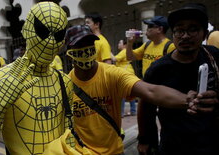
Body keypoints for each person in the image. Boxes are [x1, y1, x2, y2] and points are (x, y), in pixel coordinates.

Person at [65, 24, 218, 155]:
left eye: (89, 44)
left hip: (112, 152)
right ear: (69, 53)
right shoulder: (64, 84)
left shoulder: (111, 74)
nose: (86, 50)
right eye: (79, 46)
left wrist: (188, 100)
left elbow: (151, 91)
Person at [0, 2, 73, 154]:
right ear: (26, 30)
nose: (50, 42)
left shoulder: (64, 82)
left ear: (62, 41)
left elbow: (69, 134)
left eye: (58, 35)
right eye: (42, 31)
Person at [137, 3, 219, 155]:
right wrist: (145, 139)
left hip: (210, 141)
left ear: (204, 33)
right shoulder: (158, 69)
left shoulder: (213, 56)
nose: (185, 36)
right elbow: (146, 107)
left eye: (193, 29)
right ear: (173, 34)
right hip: (174, 144)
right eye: (179, 30)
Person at [115, 39, 136, 117]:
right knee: (130, 92)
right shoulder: (124, 51)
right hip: (129, 73)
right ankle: (133, 111)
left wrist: (107, 52)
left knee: (122, 93)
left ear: (124, 45)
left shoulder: (124, 51)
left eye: (119, 43)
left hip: (125, 74)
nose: (118, 44)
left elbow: (114, 59)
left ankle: (121, 113)